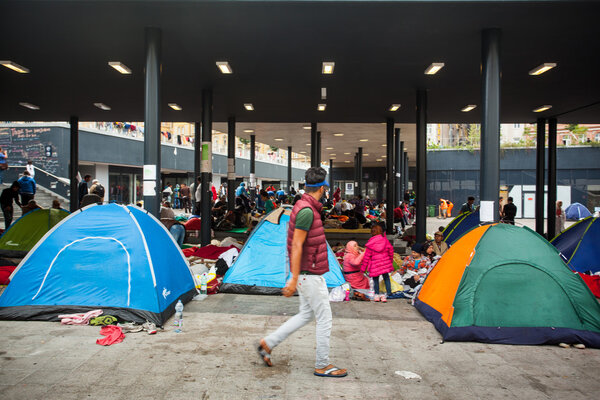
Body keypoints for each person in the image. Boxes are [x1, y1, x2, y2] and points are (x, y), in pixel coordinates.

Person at [257, 167, 347, 378]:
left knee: (306, 314)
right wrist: (294, 277)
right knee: (325, 318)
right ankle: (322, 364)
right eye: (326, 187)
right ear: (323, 188)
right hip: (309, 274)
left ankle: (267, 344)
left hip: (307, 273)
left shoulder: (303, 205)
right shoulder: (307, 211)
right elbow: (297, 245)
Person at [361, 223, 394, 302]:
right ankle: (389, 293)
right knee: (386, 277)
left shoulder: (370, 244)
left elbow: (366, 257)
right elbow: (391, 251)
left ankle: (376, 294)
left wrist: (363, 269)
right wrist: (390, 260)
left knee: (375, 279)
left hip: (375, 264)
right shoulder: (385, 241)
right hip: (385, 263)